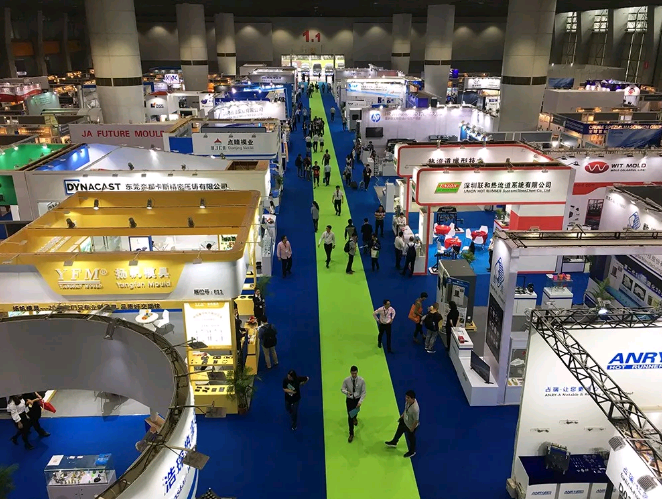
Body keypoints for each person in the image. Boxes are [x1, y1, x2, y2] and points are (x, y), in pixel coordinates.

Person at [385, 390, 419, 458]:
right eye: (406, 397)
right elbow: (406, 409)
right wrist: (402, 416)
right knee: (399, 431)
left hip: (410, 426)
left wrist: (412, 429)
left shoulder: (415, 409)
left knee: (411, 438)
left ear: (412, 398)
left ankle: (412, 451)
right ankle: (394, 442)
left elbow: (416, 420)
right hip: (405, 421)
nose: (406, 398)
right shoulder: (408, 402)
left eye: (408, 397)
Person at [341, 366, 366, 443]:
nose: (354, 375)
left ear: (357, 372)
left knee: (355, 412)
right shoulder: (346, 380)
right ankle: (351, 434)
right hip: (349, 400)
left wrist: (360, 402)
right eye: (352, 373)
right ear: (350, 372)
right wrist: (347, 392)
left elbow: (364, 392)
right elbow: (342, 389)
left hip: (357, 400)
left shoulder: (361, 381)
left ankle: (355, 417)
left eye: (355, 373)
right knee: (350, 417)